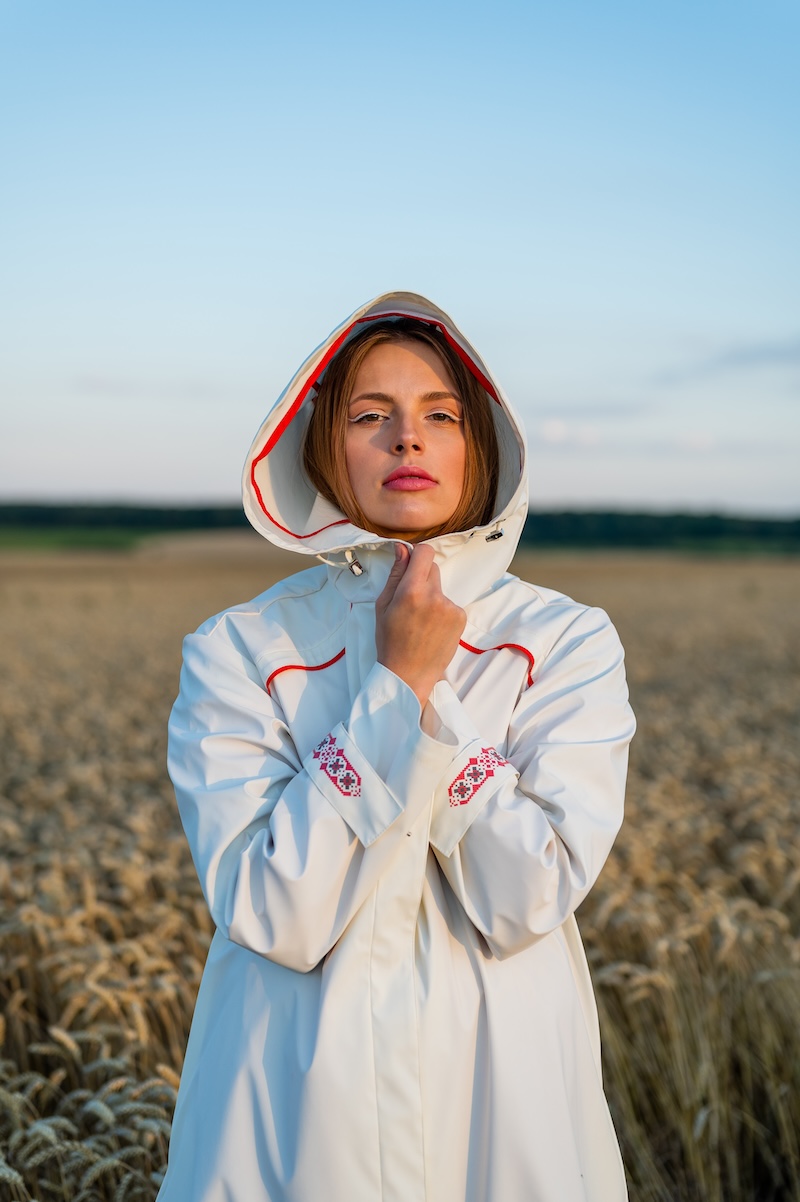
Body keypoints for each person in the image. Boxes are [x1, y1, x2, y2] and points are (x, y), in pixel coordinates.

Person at [158, 291, 636, 1202]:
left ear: (482, 445)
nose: (406, 440)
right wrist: (393, 692)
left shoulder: (568, 641)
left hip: (506, 1102)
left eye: (439, 416)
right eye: (370, 416)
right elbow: (273, 912)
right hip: (290, 1111)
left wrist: (425, 699)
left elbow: (527, 892)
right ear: (322, 448)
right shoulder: (241, 649)